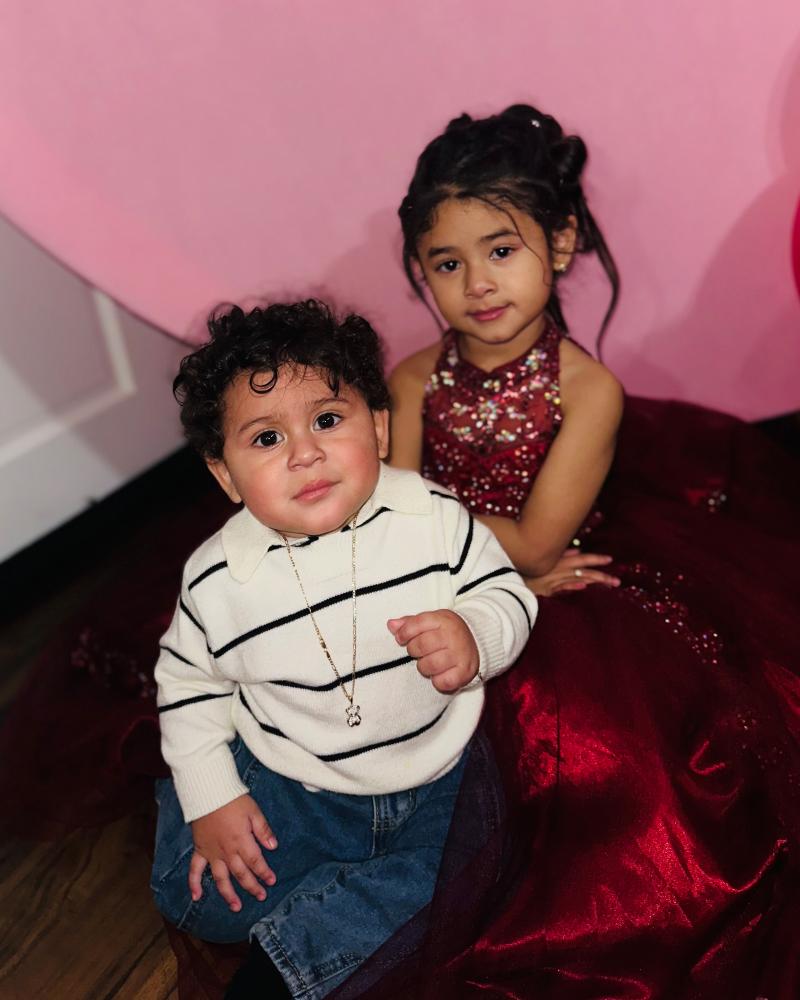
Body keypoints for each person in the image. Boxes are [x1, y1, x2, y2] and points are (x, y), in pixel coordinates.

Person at [379, 104, 800, 997]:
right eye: (446, 263)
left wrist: (430, 522)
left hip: (565, 589)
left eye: (501, 249)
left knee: (595, 768)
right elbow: (390, 526)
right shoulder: (411, 380)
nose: (477, 284)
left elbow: (536, 542)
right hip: (436, 587)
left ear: (561, 242)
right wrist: (429, 533)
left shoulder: (587, 389)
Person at [149, 298, 537, 999]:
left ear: (379, 428)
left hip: (437, 773)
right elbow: (188, 686)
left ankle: (293, 959)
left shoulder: (431, 517)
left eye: (328, 420)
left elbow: (507, 593)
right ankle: (339, 894)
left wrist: (476, 633)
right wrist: (213, 798)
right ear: (226, 475)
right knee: (197, 896)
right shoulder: (218, 578)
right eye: (267, 438)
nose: (305, 453)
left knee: (478, 866)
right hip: (297, 779)